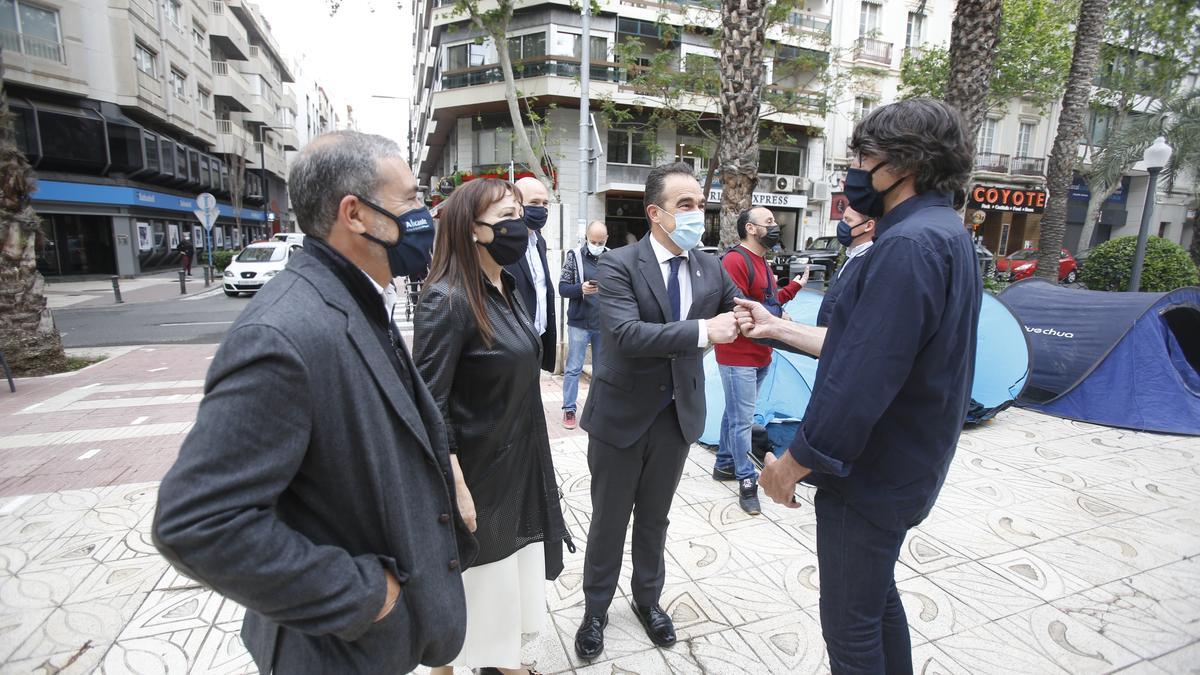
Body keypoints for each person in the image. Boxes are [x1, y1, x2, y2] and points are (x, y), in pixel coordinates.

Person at [153, 131, 474, 675]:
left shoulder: (361, 294)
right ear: (355, 214)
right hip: (331, 653)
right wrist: (368, 596)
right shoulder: (281, 334)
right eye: (412, 199)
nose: (426, 214)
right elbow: (196, 522)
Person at [734, 98, 981, 673]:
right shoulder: (944, 233)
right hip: (907, 465)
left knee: (850, 627)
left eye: (866, 156)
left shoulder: (907, 245)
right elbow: (871, 347)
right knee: (875, 601)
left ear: (906, 164)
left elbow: (862, 380)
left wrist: (793, 461)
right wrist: (775, 326)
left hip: (872, 474)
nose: (856, 171)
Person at [575, 162, 740, 660]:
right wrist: (703, 332)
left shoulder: (709, 266)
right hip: (620, 417)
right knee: (609, 519)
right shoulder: (619, 264)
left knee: (655, 518)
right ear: (656, 213)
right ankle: (595, 610)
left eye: (701, 205)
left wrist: (760, 319)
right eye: (685, 205)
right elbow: (625, 335)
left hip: (677, 416)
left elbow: (738, 309)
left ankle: (648, 600)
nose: (697, 215)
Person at [414, 178, 571, 675]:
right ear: (472, 230)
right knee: (475, 583)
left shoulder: (506, 286)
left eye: (520, 213)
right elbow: (428, 403)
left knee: (507, 577)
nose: (519, 225)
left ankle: (503, 661)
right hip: (476, 473)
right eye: (507, 216)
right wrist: (455, 482)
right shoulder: (447, 299)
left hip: (517, 461)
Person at [713, 207, 809, 515]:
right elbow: (741, 308)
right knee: (744, 420)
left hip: (761, 354)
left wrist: (793, 288)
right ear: (751, 229)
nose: (775, 226)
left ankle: (725, 463)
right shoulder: (735, 260)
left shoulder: (762, 263)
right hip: (737, 355)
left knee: (735, 413)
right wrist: (779, 316)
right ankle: (746, 479)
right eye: (769, 222)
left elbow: (769, 304)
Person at [558, 220, 609, 429]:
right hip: (580, 322)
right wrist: (581, 288)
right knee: (573, 368)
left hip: (603, 324)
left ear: (607, 239)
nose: (596, 244)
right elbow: (562, 288)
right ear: (586, 238)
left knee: (601, 371)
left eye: (600, 241)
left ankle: (597, 410)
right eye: (592, 241)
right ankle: (569, 410)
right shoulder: (575, 256)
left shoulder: (612, 257)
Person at [507, 176, 556, 372]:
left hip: (538, 341)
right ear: (517, 205)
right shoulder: (504, 245)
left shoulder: (539, 243)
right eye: (534, 203)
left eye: (545, 203)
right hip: (513, 346)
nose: (541, 208)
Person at [816, 204, 877, 327]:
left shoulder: (872, 261)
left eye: (848, 220)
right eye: (843, 219)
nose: (842, 224)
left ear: (868, 226)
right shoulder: (852, 255)